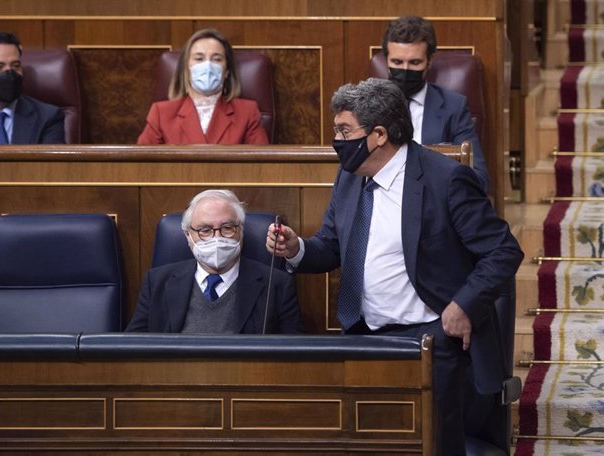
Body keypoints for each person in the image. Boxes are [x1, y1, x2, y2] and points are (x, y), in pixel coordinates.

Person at [265, 78, 523, 455]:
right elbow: (332, 246)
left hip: (430, 340)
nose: (336, 139)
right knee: (367, 444)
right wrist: (296, 249)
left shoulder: (445, 179)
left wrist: (464, 305)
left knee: (431, 445)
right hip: (362, 336)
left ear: (379, 134)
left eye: (344, 130)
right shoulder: (350, 178)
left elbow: (503, 250)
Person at [127, 189, 301, 334]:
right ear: (188, 235)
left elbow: (293, 356)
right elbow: (132, 349)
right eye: (205, 230)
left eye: (227, 228)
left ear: (240, 231)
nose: (217, 237)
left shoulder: (277, 284)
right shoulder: (157, 282)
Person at [382, 15, 490, 194]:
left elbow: (478, 177)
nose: (405, 69)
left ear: (429, 61)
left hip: (433, 202)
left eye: (415, 62)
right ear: (386, 60)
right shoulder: (365, 105)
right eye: (397, 62)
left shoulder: (453, 107)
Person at [137, 28, 268, 145]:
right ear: (186, 69)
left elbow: (261, 167)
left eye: (216, 59)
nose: (208, 66)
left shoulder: (247, 112)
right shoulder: (161, 114)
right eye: (199, 59)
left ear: (226, 71)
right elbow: (141, 165)